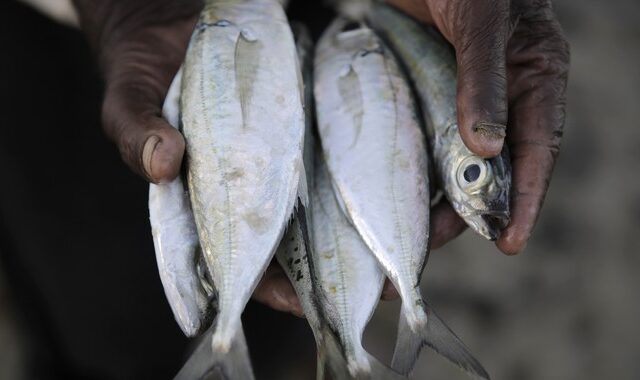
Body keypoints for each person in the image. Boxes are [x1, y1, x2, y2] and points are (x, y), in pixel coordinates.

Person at [1, 0, 568, 378]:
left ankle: (296, 342)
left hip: (308, 16)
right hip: (85, 27)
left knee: (284, 280)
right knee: (94, 304)